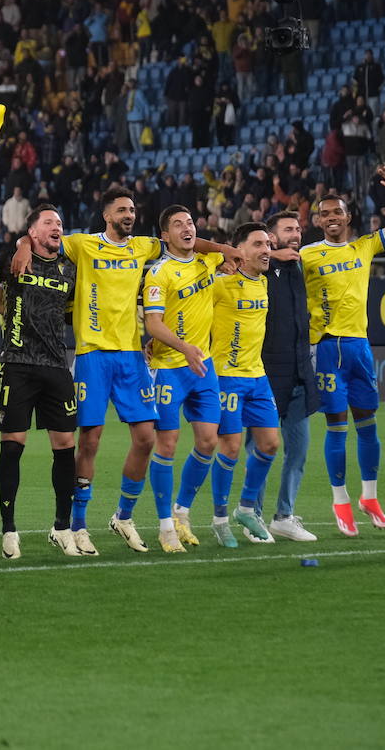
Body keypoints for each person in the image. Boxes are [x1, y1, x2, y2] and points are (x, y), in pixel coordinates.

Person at [12, 188, 233, 555]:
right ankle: (78, 525)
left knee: (146, 438)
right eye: (121, 210)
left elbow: (191, 243)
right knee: (91, 440)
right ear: (106, 215)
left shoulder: (144, 247)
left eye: (132, 209)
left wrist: (224, 250)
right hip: (93, 354)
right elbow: (42, 238)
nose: (129, 214)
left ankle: (123, 516)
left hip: (131, 356)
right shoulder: (83, 244)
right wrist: (22, 244)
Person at [302, 166, 385, 537]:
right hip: (325, 348)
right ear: (318, 221)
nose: (332, 218)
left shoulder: (364, 245)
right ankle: (340, 500)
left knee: (368, 424)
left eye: (337, 212)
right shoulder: (306, 256)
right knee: (336, 426)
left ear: (348, 217)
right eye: (325, 213)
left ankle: (370, 496)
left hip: (359, 347)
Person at [139, 205, 243, 552]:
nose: (187, 229)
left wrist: (225, 252)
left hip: (204, 368)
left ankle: (181, 512)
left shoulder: (206, 262)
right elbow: (153, 324)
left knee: (209, 442)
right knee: (166, 445)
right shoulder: (159, 274)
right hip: (170, 368)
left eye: (190, 223)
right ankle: (165, 527)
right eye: (178, 225)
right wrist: (184, 347)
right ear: (164, 236)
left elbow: (215, 251)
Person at [0, 205, 78, 559]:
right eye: (49, 223)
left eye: (59, 222)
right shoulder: (11, 262)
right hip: (18, 364)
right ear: (33, 231)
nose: (57, 227)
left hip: (58, 365)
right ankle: (9, 529)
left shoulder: (70, 268)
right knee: (12, 445)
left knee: (65, 447)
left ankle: (62, 527)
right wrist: (22, 243)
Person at [209, 223, 281, 546]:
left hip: (258, 376)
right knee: (232, 447)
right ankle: (220, 519)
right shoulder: (221, 286)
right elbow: (190, 308)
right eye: (258, 244)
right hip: (227, 376)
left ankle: (246, 508)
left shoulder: (264, 283)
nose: (266, 250)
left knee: (269, 444)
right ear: (239, 250)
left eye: (268, 244)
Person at [257, 211, 320, 542]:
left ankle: (283, 515)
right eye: (288, 230)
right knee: (262, 451)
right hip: (266, 373)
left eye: (298, 228)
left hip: (298, 371)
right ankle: (252, 514)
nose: (296, 234)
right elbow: (232, 252)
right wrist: (269, 254)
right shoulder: (259, 267)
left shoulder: (299, 266)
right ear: (271, 235)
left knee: (299, 449)